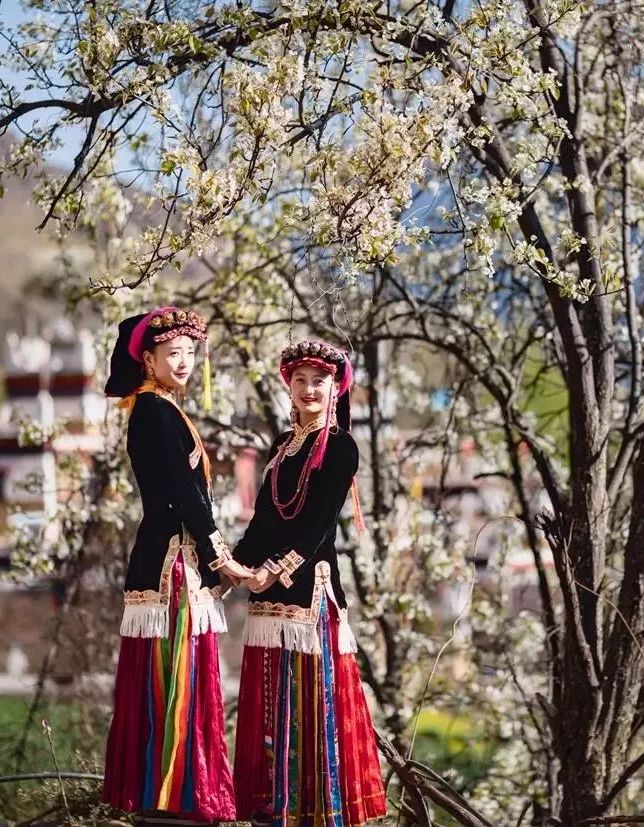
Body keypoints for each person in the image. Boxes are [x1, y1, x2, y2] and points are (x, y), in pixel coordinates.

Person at [233, 339, 387, 827]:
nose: (308, 389)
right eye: (299, 380)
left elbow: (318, 522)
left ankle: (312, 810)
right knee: (272, 701)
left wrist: (273, 570)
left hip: (309, 590)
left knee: (309, 701)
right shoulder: (281, 445)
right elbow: (263, 520)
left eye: (318, 381)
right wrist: (226, 570)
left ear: (335, 388)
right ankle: (275, 806)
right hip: (268, 594)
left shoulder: (341, 446)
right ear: (289, 386)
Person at [101, 305, 246, 824]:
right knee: (177, 671)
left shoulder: (158, 409)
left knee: (173, 671)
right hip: (173, 561)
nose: (183, 362)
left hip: (171, 554)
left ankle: (169, 789)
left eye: (189, 353)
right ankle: (178, 792)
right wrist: (217, 553)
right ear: (147, 358)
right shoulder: (155, 412)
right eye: (172, 354)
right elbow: (180, 494)